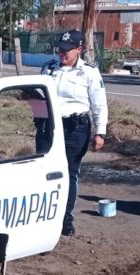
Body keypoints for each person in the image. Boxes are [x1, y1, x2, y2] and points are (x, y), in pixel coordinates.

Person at [40, 29, 109, 237]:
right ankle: (44, 215)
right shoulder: (48, 69)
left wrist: (100, 132)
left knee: (69, 172)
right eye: (60, 49)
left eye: (67, 51)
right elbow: (38, 97)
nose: (62, 54)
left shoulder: (89, 72)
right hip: (49, 127)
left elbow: (99, 104)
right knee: (43, 171)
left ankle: (66, 217)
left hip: (75, 128)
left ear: (79, 49)